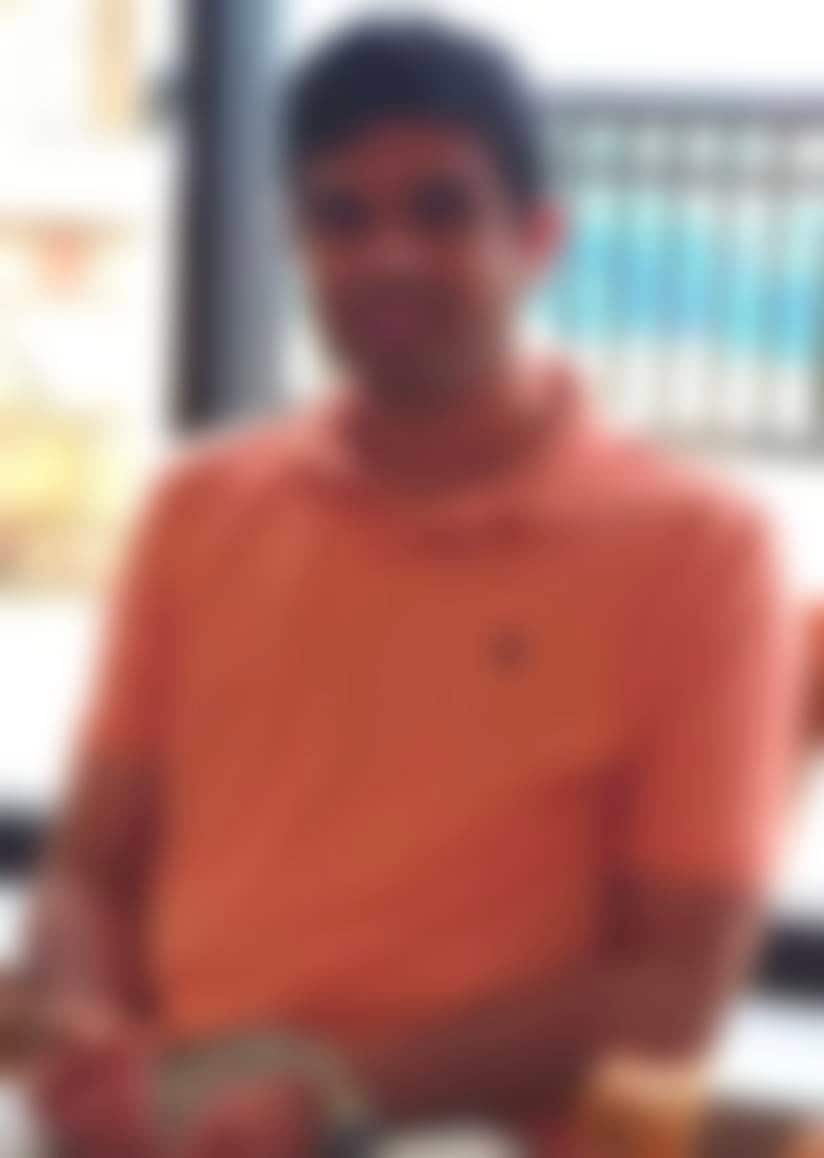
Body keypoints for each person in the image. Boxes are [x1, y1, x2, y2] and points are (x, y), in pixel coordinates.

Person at [29, 18, 801, 1158]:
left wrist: (320, 1095)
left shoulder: (698, 553)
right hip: (189, 1109)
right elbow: (92, 872)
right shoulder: (203, 509)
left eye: (440, 211)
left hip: (462, 1127)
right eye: (340, 217)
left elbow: (671, 991)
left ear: (537, 238)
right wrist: (84, 1032)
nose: (385, 254)